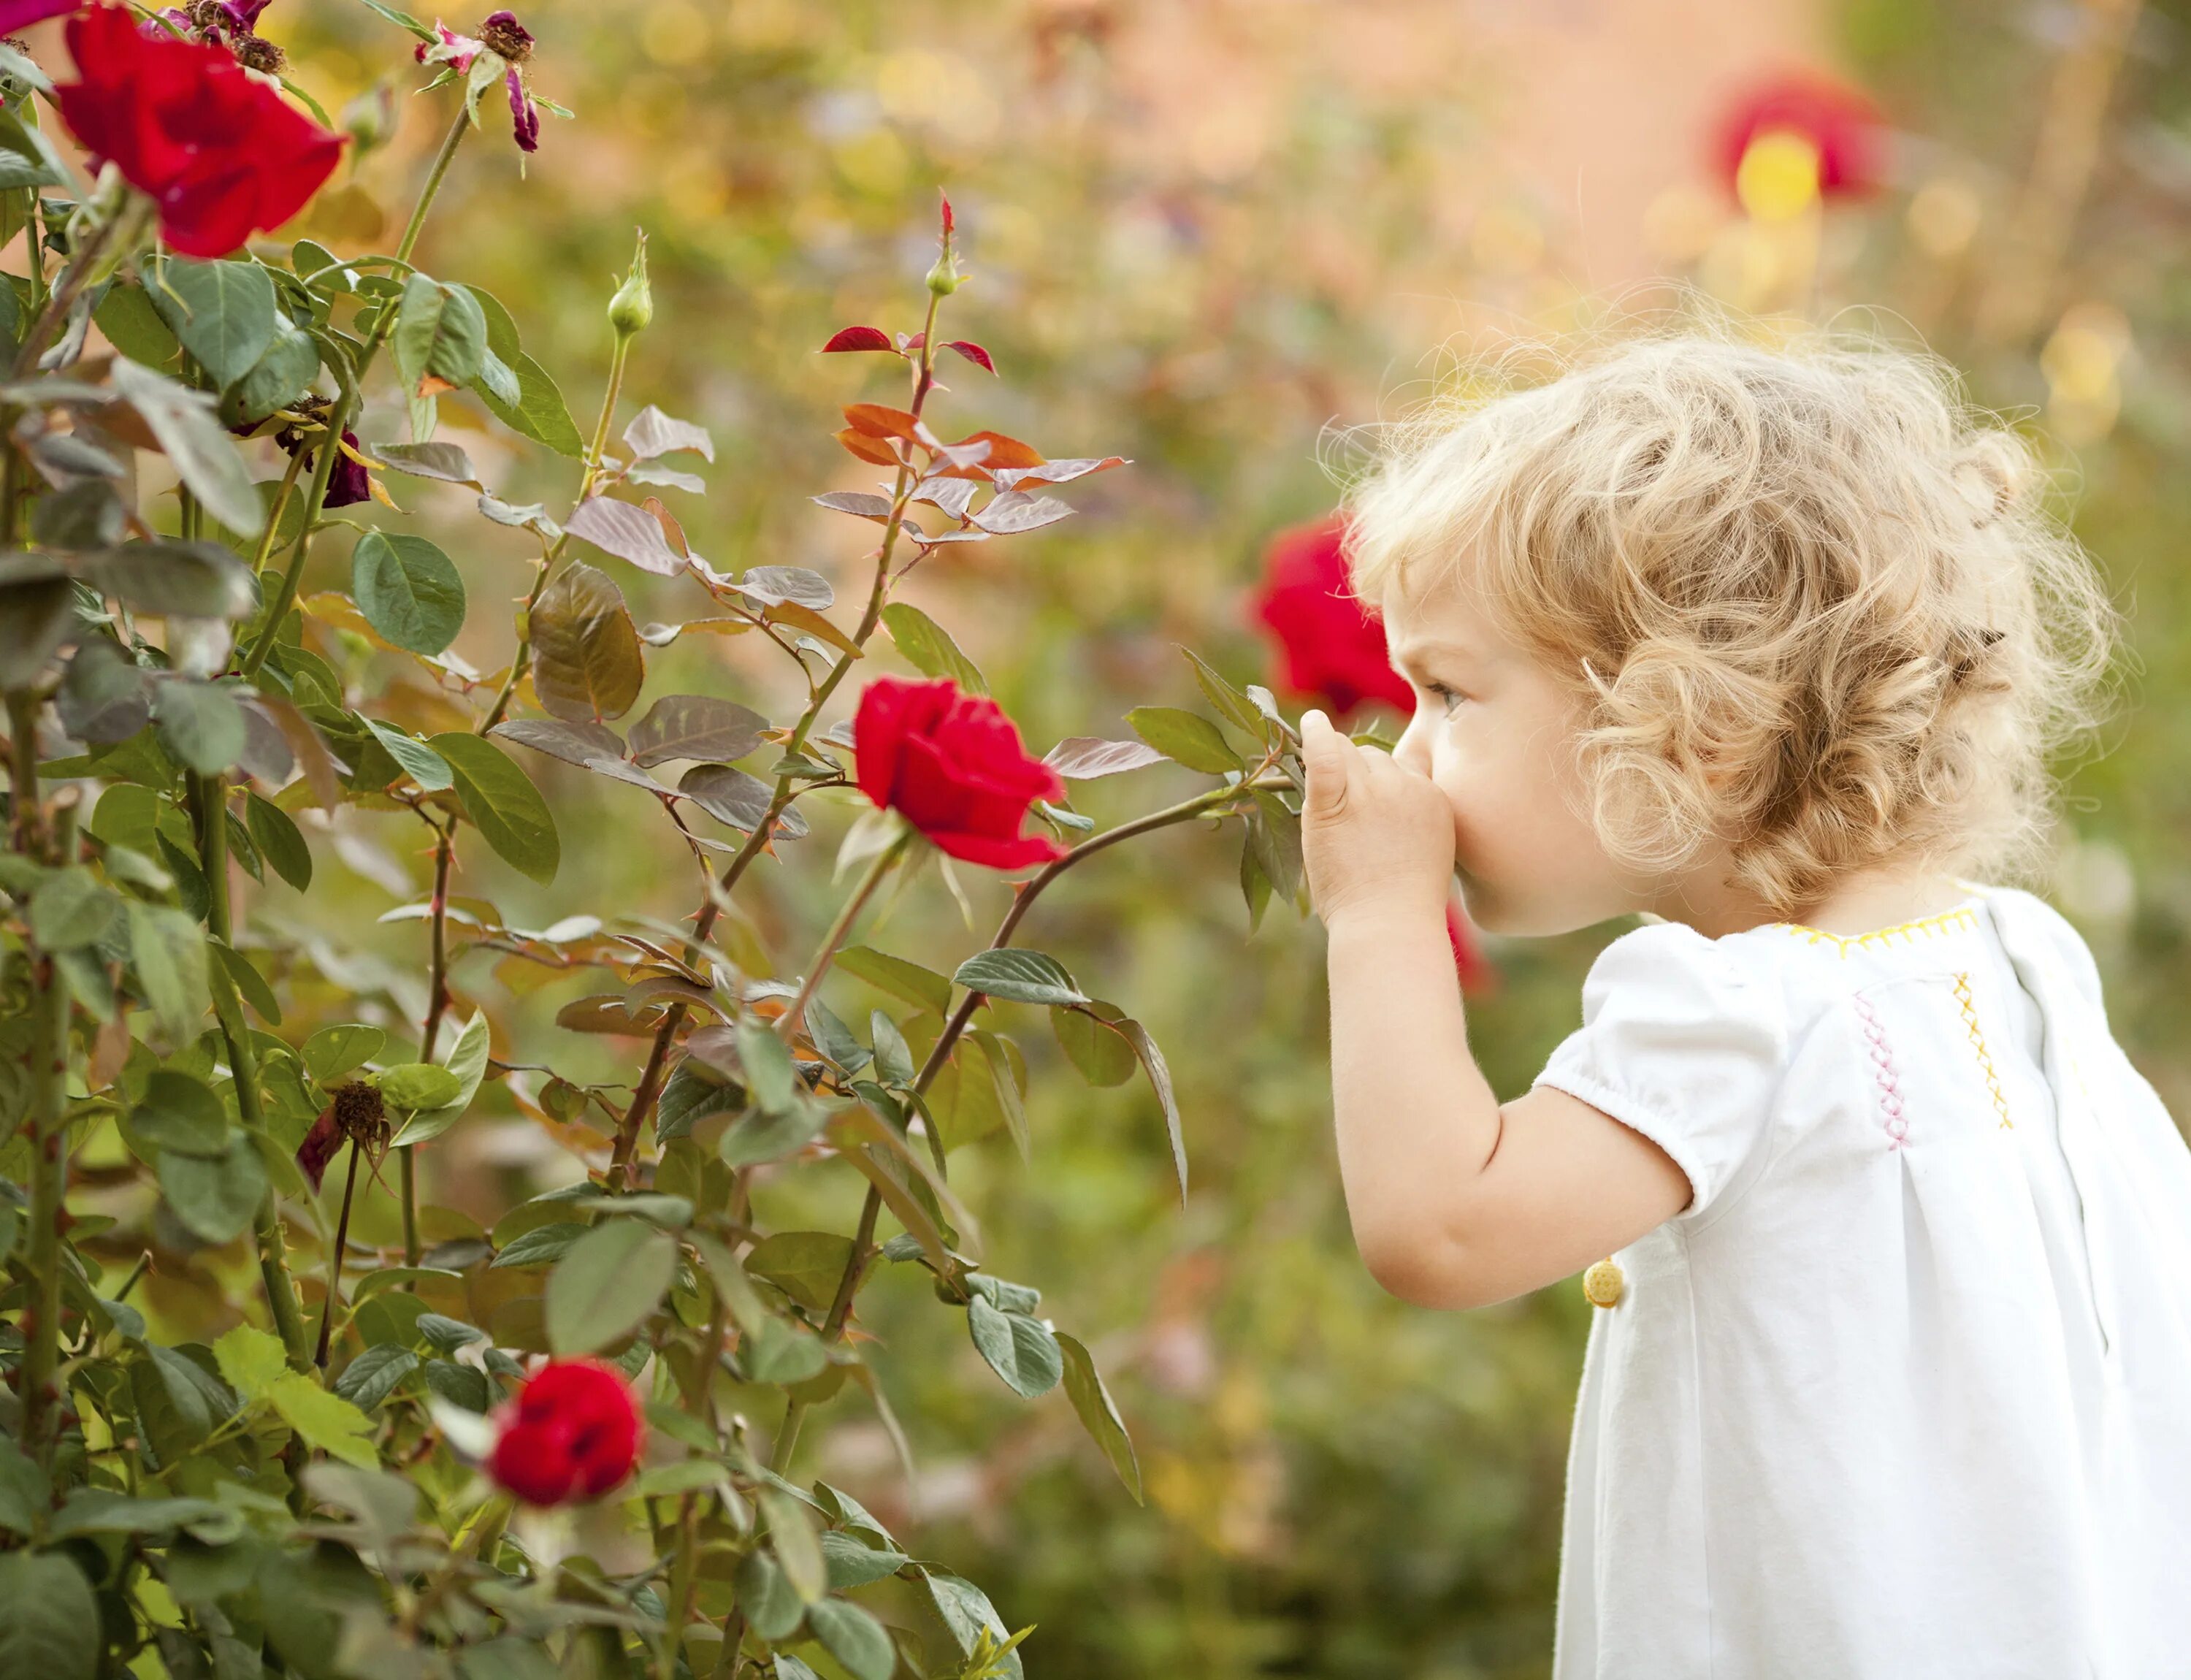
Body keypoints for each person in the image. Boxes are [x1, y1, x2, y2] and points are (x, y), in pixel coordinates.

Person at [1297, 328, 2191, 1679]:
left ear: (1693, 723)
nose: (1409, 753)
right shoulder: (2023, 964)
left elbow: (1441, 1226)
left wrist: (1373, 913)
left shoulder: (1748, 1017)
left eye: (1450, 691)